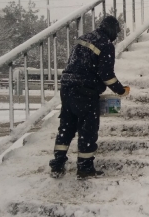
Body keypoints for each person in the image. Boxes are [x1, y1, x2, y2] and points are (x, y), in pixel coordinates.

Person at [49, 15, 130, 179]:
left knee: (67, 126)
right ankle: (85, 168)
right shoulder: (105, 44)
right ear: (111, 29)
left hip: (67, 87)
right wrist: (120, 90)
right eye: (117, 31)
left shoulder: (83, 38)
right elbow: (106, 74)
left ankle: (57, 165)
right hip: (85, 90)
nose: (117, 35)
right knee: (88, 129)